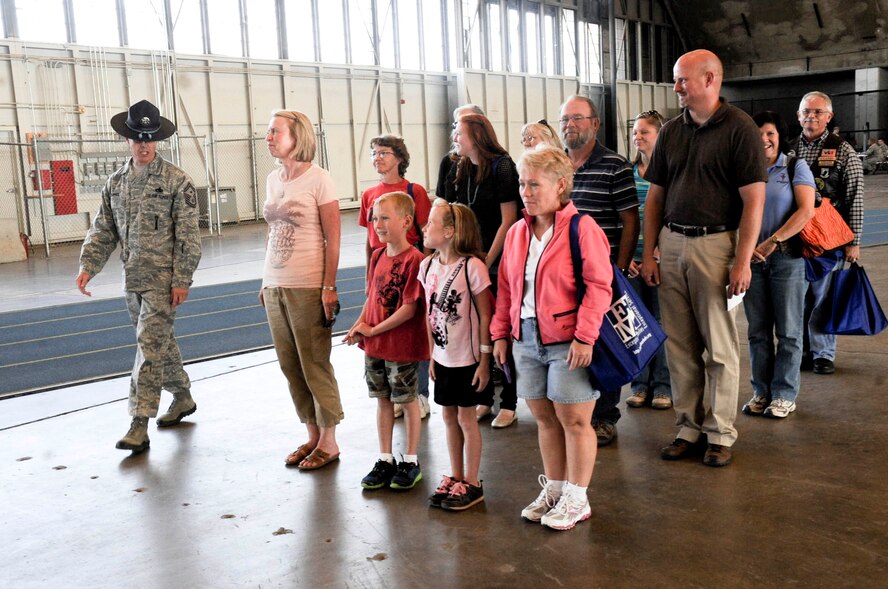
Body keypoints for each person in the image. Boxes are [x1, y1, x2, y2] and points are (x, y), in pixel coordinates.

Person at [640, 49, 766, 467]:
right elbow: (655, 196)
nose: (676, 87)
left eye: (682, 80)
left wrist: (742, 261)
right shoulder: (673, 132)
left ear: (710, 79)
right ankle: (688, 427)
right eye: (676, 80)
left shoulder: (740, 129)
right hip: (672, 244)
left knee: (720, 348)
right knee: (679, 345)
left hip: (718, 247)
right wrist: (651, 252)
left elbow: (754, 201)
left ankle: (720, 433)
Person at [491, 145, 612, 531]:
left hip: (568, 342)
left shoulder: (583, 228)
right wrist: (500, 335)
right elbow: (507, 288)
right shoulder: (516, 233)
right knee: (545, 420)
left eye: (534, 184)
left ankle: (578, 496)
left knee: (575, 420)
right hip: (525, 339)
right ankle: (556, 489)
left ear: (560, 185)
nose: (525, 191)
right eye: (522, 184)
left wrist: (585, 337)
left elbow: (599, 286)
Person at [76, 99, 202, 454]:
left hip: (164, 280)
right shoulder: (116, 183)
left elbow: (189, 236)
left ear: (157, 140)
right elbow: (104, 229)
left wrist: (182, 278)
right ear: (128, 140)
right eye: (138, 139)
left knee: (148, 348)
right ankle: (182, 397)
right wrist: (89, 265)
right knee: (159, 343)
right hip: (132, 280)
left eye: (150, 138)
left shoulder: (178, 181)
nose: (144, 145)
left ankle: (138, 422)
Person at [261, 110, 343, 471]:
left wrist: (328, 286)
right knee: (289, 365)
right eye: (268, 131)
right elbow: (272, 233)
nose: (269, 137)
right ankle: (311, 434)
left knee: (314, 363)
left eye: (275, 131)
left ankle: (329, 440)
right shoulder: (272, 179)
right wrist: (265, 281)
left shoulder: (319, 179)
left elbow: (334, 237)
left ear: (298, 136)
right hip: (275, 285)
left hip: (309, 284)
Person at [559, 94, 639, 446]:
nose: (569, 126)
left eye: (577, 119)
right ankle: (575, 415)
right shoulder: (555, 165)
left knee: (604, 347)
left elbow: (629, 221)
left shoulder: (615, 165)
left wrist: (617, 270)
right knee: (571, 347)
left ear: (594, 124)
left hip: (601, 277)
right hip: (561, 279)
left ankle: (606, 417)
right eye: (564, 120)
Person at [345, 191, 429, 491]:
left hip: (399, 346)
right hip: (375, 346)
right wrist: (358, 326)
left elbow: (409, 309)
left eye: (384, 218)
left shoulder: (415, 261)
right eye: (374, 218)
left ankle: (410, 460)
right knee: (381, 401)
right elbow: (371, 300)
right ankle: (385, 458)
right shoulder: (379, 256)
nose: (378, 224)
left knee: (406, 402)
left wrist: (374, 330)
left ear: (406, 222)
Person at [442, 113, 521, 428]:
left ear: (477, 135)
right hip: (470, 261)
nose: (454, 137)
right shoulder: (461, 166)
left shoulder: (502, 165)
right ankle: (484, 397)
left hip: (496, 260)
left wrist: (488, 262)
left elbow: (508, 220)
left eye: (459, 132)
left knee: (502, 333)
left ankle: (511, 401)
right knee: (477, 331)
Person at [742, 111, 817, 419]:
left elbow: (806, 211)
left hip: (786, 258)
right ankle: (761, 391)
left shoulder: (794, 166)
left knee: (788, 331)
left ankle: (784, 394)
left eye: (770, 133)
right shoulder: (745, 171)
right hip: (752, 262)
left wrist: (772, 241)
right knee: (757, 331)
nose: (765, 139)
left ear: (779, 137)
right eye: (758, 134)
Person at [419, 199, 492, 511]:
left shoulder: (472, 267)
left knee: (466, 417)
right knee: (448, 415)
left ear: (449, 232)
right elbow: (428, 313)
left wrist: (485, 360)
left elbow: (487, 315)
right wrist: (432, 354)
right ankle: (457, 475)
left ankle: (473, 482)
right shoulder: (427, 266)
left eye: (430, 224)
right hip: (444, 358)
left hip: (468, 359)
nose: (424, 228)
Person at [358, 135, 432, 420]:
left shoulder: (414, 191)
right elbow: (369, 239)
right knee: (385, 328)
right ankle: (393, 394)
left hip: (408, 265)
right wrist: (369, 274)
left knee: (411, 330)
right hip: (380, 266)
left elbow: (425, 233)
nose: (377, 157)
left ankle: (418, 393)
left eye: (383, 153)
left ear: (399, 158)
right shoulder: (369, 195)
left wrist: (423, 268)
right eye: (374, 153)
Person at [791, 91, 864, 375]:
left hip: (828, 240)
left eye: (817, 112)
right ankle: (801, 350)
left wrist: (853, 241)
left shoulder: (844, 151)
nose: (811, 116)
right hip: (795, 238)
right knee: (795, 299)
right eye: (806, 111)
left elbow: (855, 197)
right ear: (798, 116)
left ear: (829, 116)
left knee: (822, 297)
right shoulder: (788, 149)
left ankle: (822, 353)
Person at [624, 110, 673, 411]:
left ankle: (664, 386)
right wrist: (627, 256)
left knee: (661, 322)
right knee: (634, 325)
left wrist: (659, 251)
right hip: (632, 261)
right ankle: (639, 384)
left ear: (660, 135)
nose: (638, 137)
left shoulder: (669, 172)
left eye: (645, 131)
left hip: (661, 259)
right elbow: (623, 219)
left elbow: (674, 213)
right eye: (635, 132)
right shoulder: (627, 172)